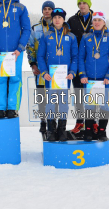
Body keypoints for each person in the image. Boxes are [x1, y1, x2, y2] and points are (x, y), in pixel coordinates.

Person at [37, 8, 78, 141]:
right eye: (55, 17)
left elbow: (75, 57)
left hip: (65, 77)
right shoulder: (46, 35)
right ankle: (51, 130)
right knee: (50, 103)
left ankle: (61, 129)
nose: (57, 19)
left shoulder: (71, 37)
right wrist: (44, 72)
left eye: (60, 17)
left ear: (63, 19)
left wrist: (72, 72)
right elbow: (40, 56)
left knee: (63, 103)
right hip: (51, 76)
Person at [78, 11, 109, 141]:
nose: (96, 22)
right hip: (89, 79)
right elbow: (80, 57)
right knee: (89, 105)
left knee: (104, 106)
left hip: (104, 80)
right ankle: (89, 131)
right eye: (95, 20)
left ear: (104, 22)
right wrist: (82, 74)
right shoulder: (86, 37)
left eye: (99, 20)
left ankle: (102, 131)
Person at [67, 0, 94, 135]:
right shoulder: (72, 20)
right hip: (77, 62)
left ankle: (93, 123)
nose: (82, 5)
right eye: (80, 3)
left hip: (93, 63)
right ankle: (79, 122)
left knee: (92, 94)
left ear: (89, 4)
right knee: (78, 94)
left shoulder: (96, 19)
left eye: (84, 3)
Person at [27, 1, 55, 133]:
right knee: (42, 96)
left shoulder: (58, 27)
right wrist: (33, 64)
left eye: (50, 9)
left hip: (55, 68)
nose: (47, 11)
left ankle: (53, 121)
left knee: (54, 96)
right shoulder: (35, 28)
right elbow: (30, 47)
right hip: (40, 68)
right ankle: (43, 121)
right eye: (45, 9)